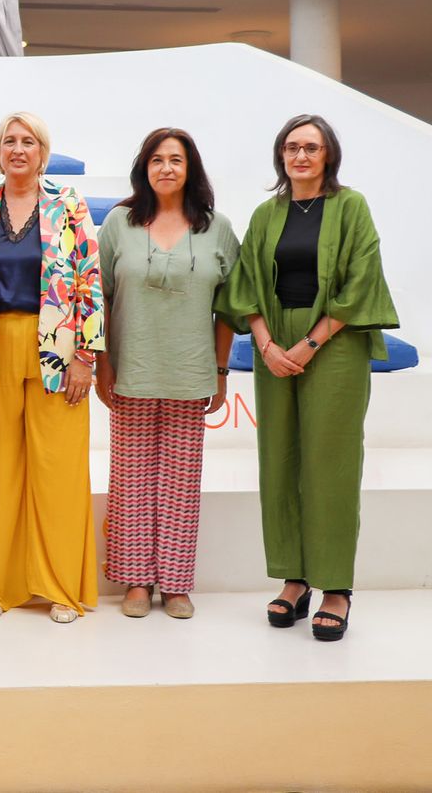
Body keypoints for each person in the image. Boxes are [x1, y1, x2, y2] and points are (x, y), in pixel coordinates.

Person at [222, 114, 397, 642]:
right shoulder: (265, 213)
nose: (301, 156)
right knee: (280, 460)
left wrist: (308, 343)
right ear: (281, 155)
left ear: (328, 156)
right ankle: (295, 580)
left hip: (335, 345)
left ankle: (336, 588)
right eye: (292, 147)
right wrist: (268, 345)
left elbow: (361, 280)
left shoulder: (351, 207)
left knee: (331, 464)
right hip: (275, 345)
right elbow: (246, 282)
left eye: (312, 148)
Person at [0, 111, 102, 624]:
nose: (18, 149)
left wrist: (87, 355)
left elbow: (89, 280)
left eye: (28, 141)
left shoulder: (70, 206)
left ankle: (61, 588)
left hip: (59, 351)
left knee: (57, 469)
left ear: (43, 151)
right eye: (8, 141)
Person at [95, 128, 238, 621]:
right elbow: (103, 298)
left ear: (191, 168)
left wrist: (220, 372)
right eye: (157, 159)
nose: (166, 168)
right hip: (131, 370)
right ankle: (136, 581)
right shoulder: (118, 223)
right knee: (130, 481)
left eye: (176, 160)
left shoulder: (217, 227)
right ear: (144, 168)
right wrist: (102, 364)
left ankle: (175, 584)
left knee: (180, 483)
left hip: (190, 371)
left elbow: (230, 310)